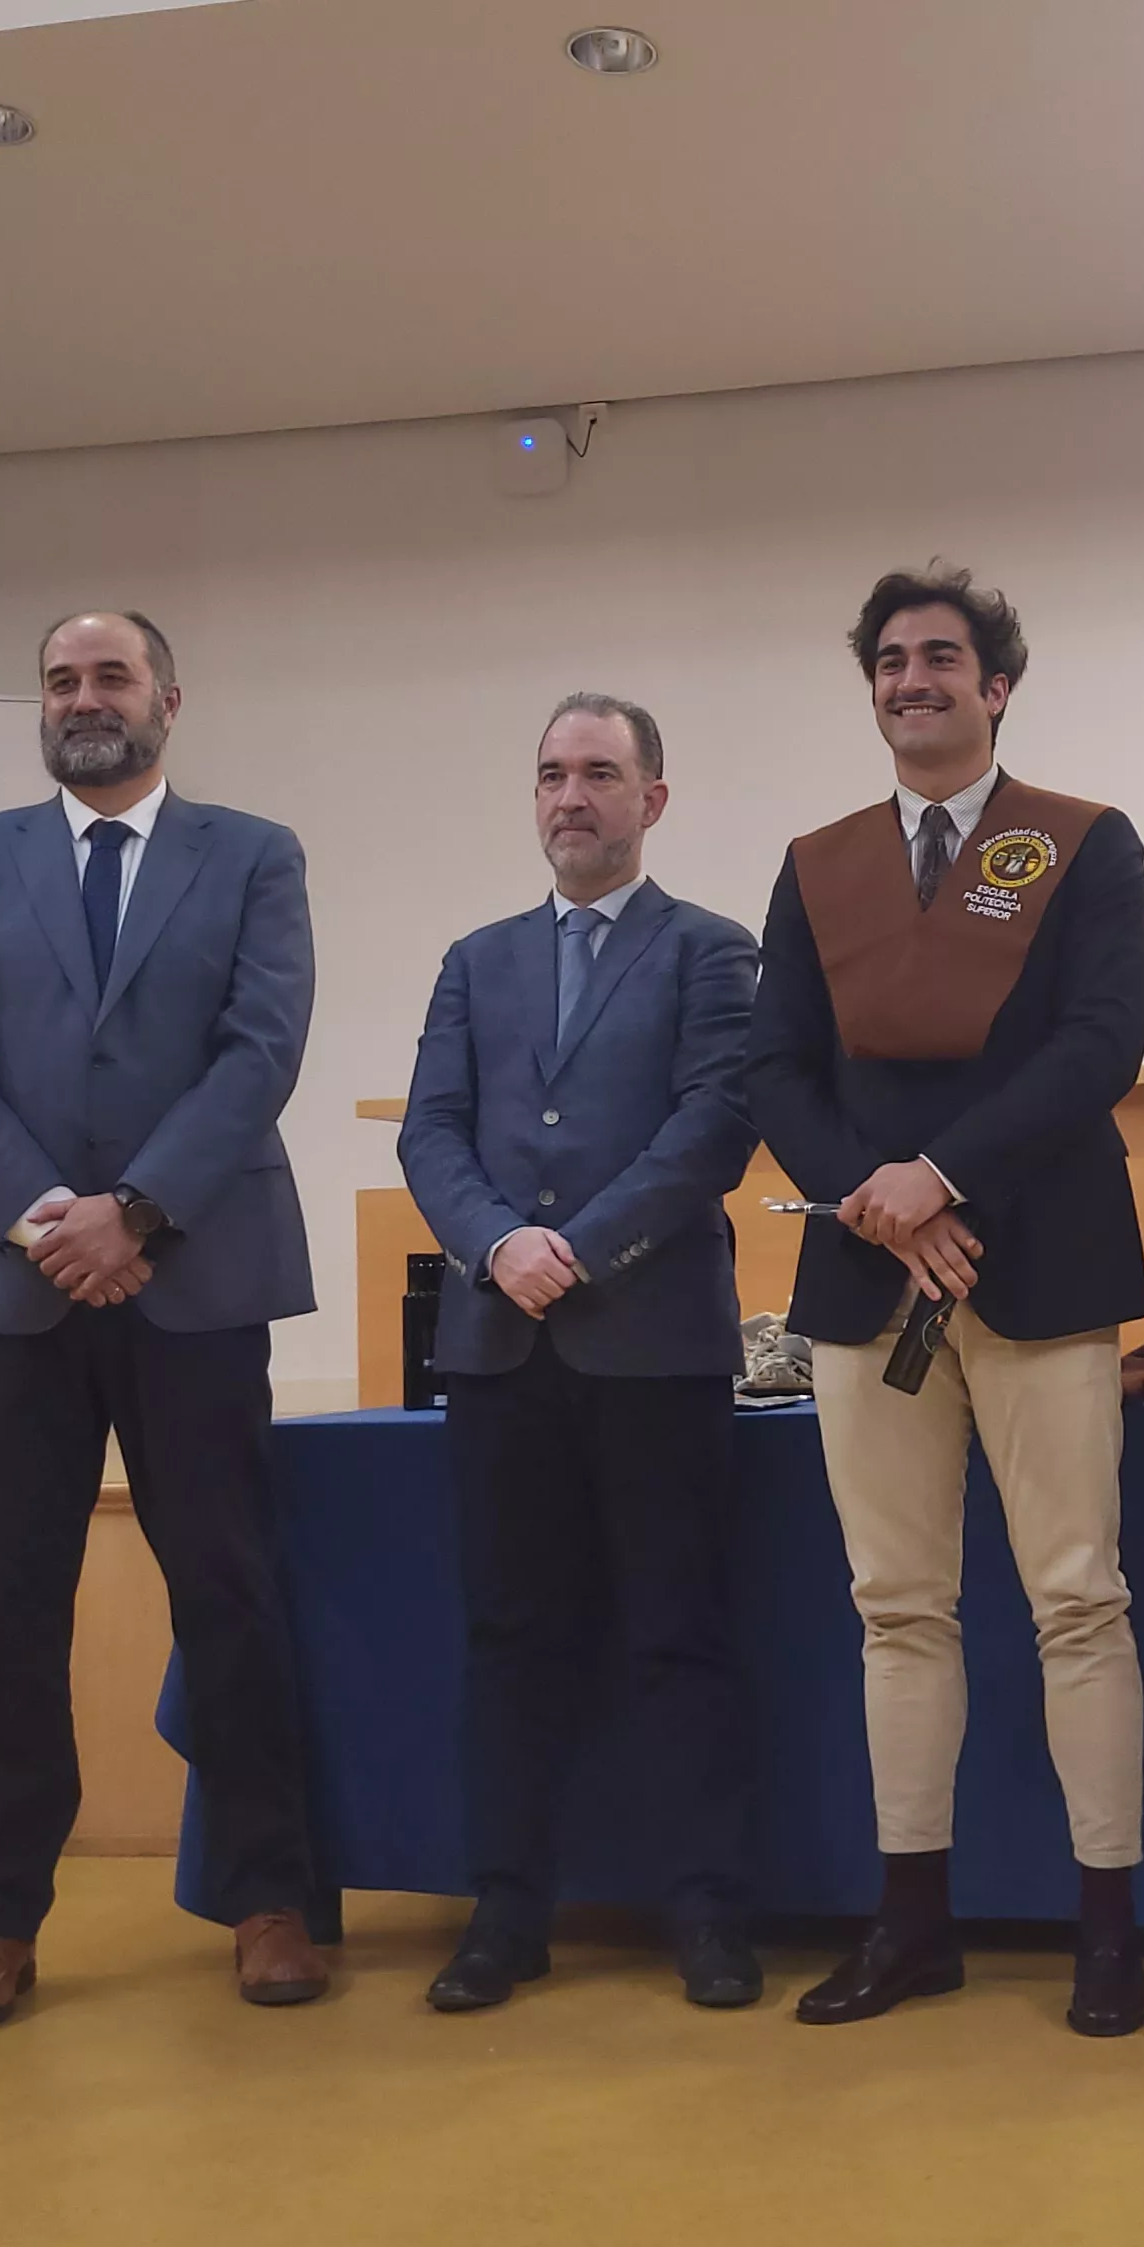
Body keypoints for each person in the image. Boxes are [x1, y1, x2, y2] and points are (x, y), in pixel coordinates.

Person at [744, 564, 1144, 2037]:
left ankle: (1106, 1927)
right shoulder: (817, 863)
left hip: (1039, 1262)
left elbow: (1106, 1039)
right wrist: (876, 1192)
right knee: (897, 1609)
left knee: (1076, 1601)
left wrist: (941, 1175)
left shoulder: (1085, 845)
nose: (912, 678)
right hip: (866, 1275)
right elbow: (773, 1065)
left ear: (998, 686)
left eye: (942, 657)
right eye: (891, 660)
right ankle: (909, 1924)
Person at [0, 609, 329, 2033]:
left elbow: (260, 1050)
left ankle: (273, 1898)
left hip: (191, 1281)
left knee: (232, 1597)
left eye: (112, 677)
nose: (86, 700)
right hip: (8, 1295)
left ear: (168, 699)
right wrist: (49, 1220)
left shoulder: (254, 855)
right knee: (7, 1618)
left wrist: (131, 1215)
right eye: (63, 680)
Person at [399, 692, 766, 2013]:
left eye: (601, 774)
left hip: (654, 1351)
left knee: (680, 1634)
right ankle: (507, 1912)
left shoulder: (713, 952)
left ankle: (709, 1914)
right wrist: (501, 1245)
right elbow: (430, 1134)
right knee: (511, 1638)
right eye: (552, 773)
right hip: (501, 1351)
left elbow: (713, 1128)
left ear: (651, 800)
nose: (572, 796)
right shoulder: (473, 960)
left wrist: (580, 1246)